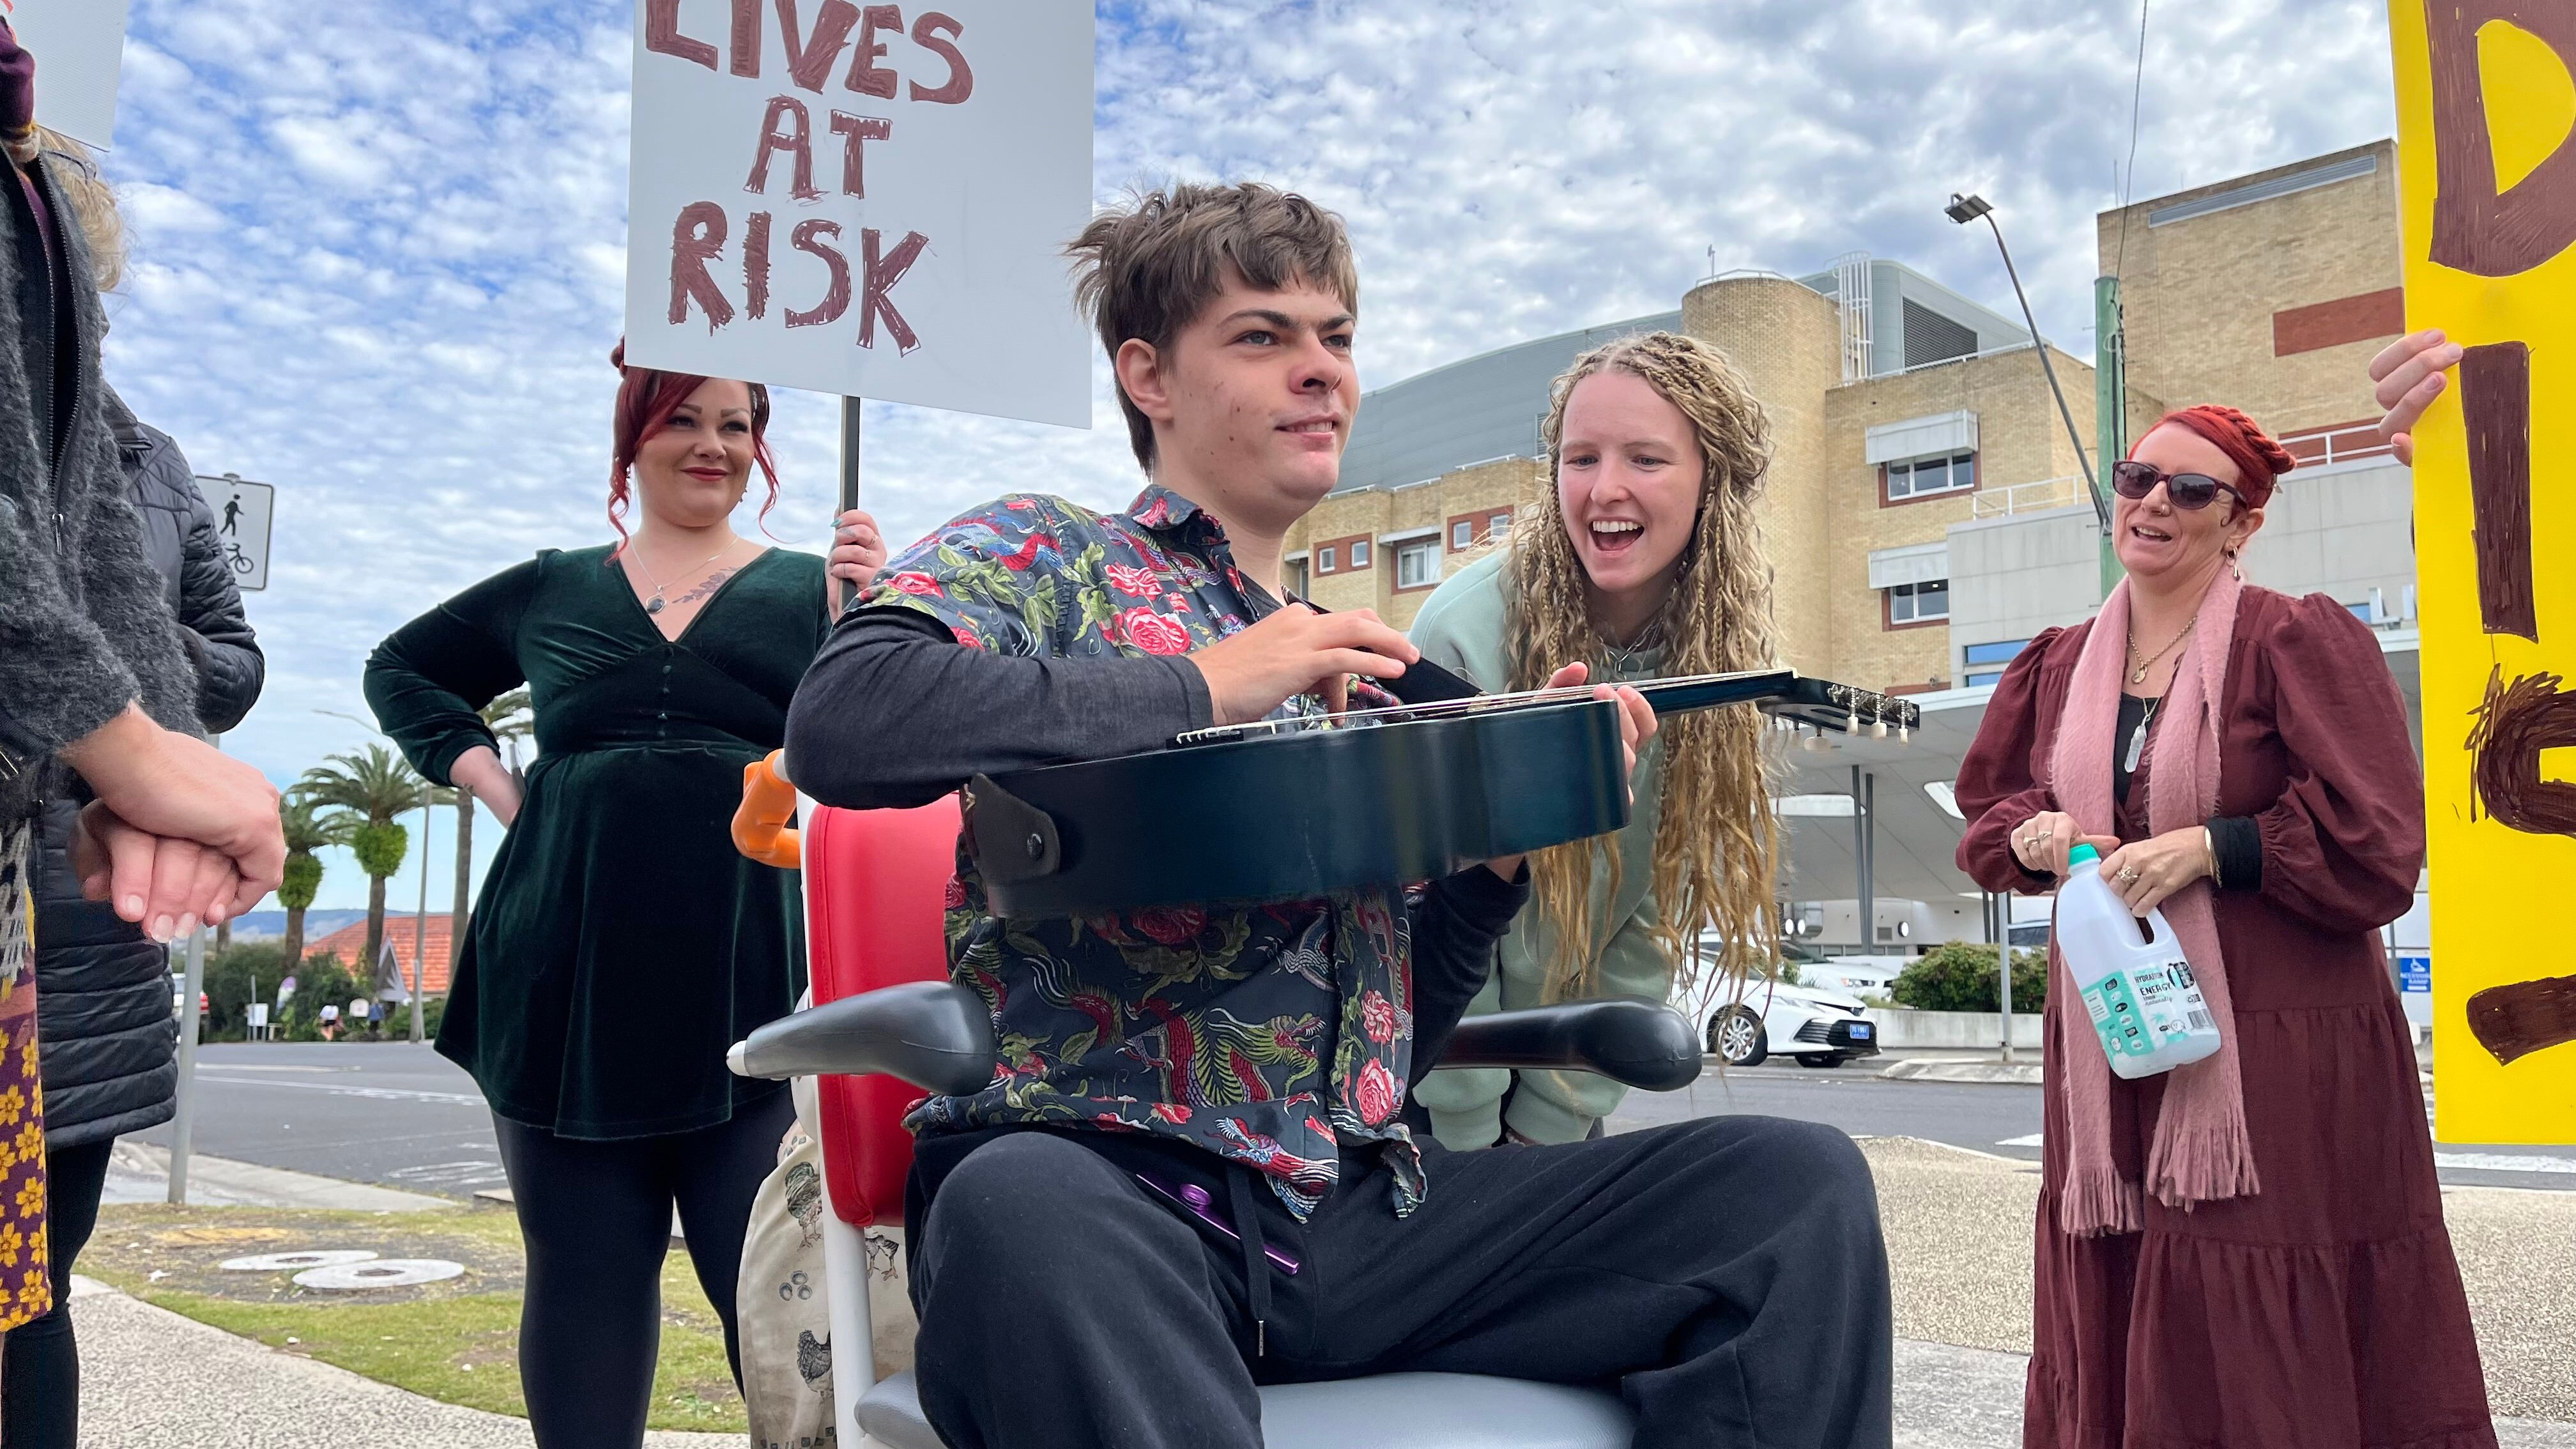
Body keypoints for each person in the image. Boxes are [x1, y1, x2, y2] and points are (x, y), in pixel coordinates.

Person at [792, 181, 1892, 1449]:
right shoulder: (1056, 555)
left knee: (1790, 1190)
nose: (1321, 371)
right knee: (1018, 1203)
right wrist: (1207, 683)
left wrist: (1486, 872)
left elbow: (1386, 1049)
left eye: (1339, 338)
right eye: (1264, 337)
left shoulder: (1380, 687)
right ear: (1148, 375)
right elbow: (848, 719)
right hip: (1108, 1194)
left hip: (1361, 1219)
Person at [364, 348, 887, 1449]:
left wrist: (875, 611)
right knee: (581, 1274)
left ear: (761, 452)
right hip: (559, 966)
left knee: (780, 1293)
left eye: (737, 425)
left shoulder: (815, 588)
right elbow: (402, 666)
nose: (711, 444)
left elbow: (888, 728)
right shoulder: (553, 582)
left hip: (749, 970)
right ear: (631, 439)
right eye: (682, 419)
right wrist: (498, 781)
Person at [1953, 404, 2493, 1448]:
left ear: (2239, 523)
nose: (2153, 500)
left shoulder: (2293, 636)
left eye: (2189, 489)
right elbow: (1990, 813)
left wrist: (2212, 847)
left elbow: (2378, 841)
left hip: (2279, 1049)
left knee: (2259, 1287)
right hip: (2116, 1042)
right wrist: (2032, 835)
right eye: (2137, 476)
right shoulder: (2057, 664)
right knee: (2125, 1280)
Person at [0, 17, 282, 1368]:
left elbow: (192, 634)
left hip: (72, 916)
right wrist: (126, 745)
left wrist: (140, 753)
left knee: (28, 1291)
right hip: (78, 832)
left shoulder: (143, 461)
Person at [1405, 332, 1779, 1148]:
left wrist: (1552, 1128)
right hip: (1428, 1090)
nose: (1605, 488)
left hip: (1562, 1103)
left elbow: (1650, 917)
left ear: (1715, 480)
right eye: (1580, 460)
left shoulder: (1713, 656)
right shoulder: (1469, 628)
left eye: (1645, 459)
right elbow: (1432, 907)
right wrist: (1470, 1139)